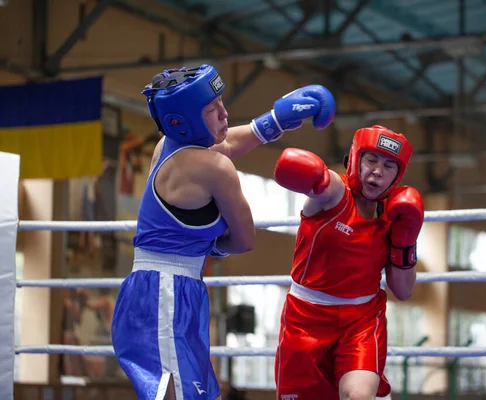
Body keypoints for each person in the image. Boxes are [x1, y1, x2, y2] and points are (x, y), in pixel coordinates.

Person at [111, 64, 336, 400]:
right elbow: (245, 240)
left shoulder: (167, 146)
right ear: (183, 121)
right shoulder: (215, 169)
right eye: (212, 109)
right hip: (166, 294)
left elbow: (226, 143)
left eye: (221, 102)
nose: (224, 114)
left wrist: (274, 122)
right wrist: (211, 247)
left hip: (162, 289)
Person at [273, 125, 424, 399]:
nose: (377, 171)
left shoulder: (395, 216)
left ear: (398, 175)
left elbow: (403, 291)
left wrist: (405, 240)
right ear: (353, 159)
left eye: (389, 165)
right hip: (306, 318)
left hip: (361, 320)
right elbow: (321, 178)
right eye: (371, 160)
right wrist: (312, 174)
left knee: (358, 396)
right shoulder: (332, 193)